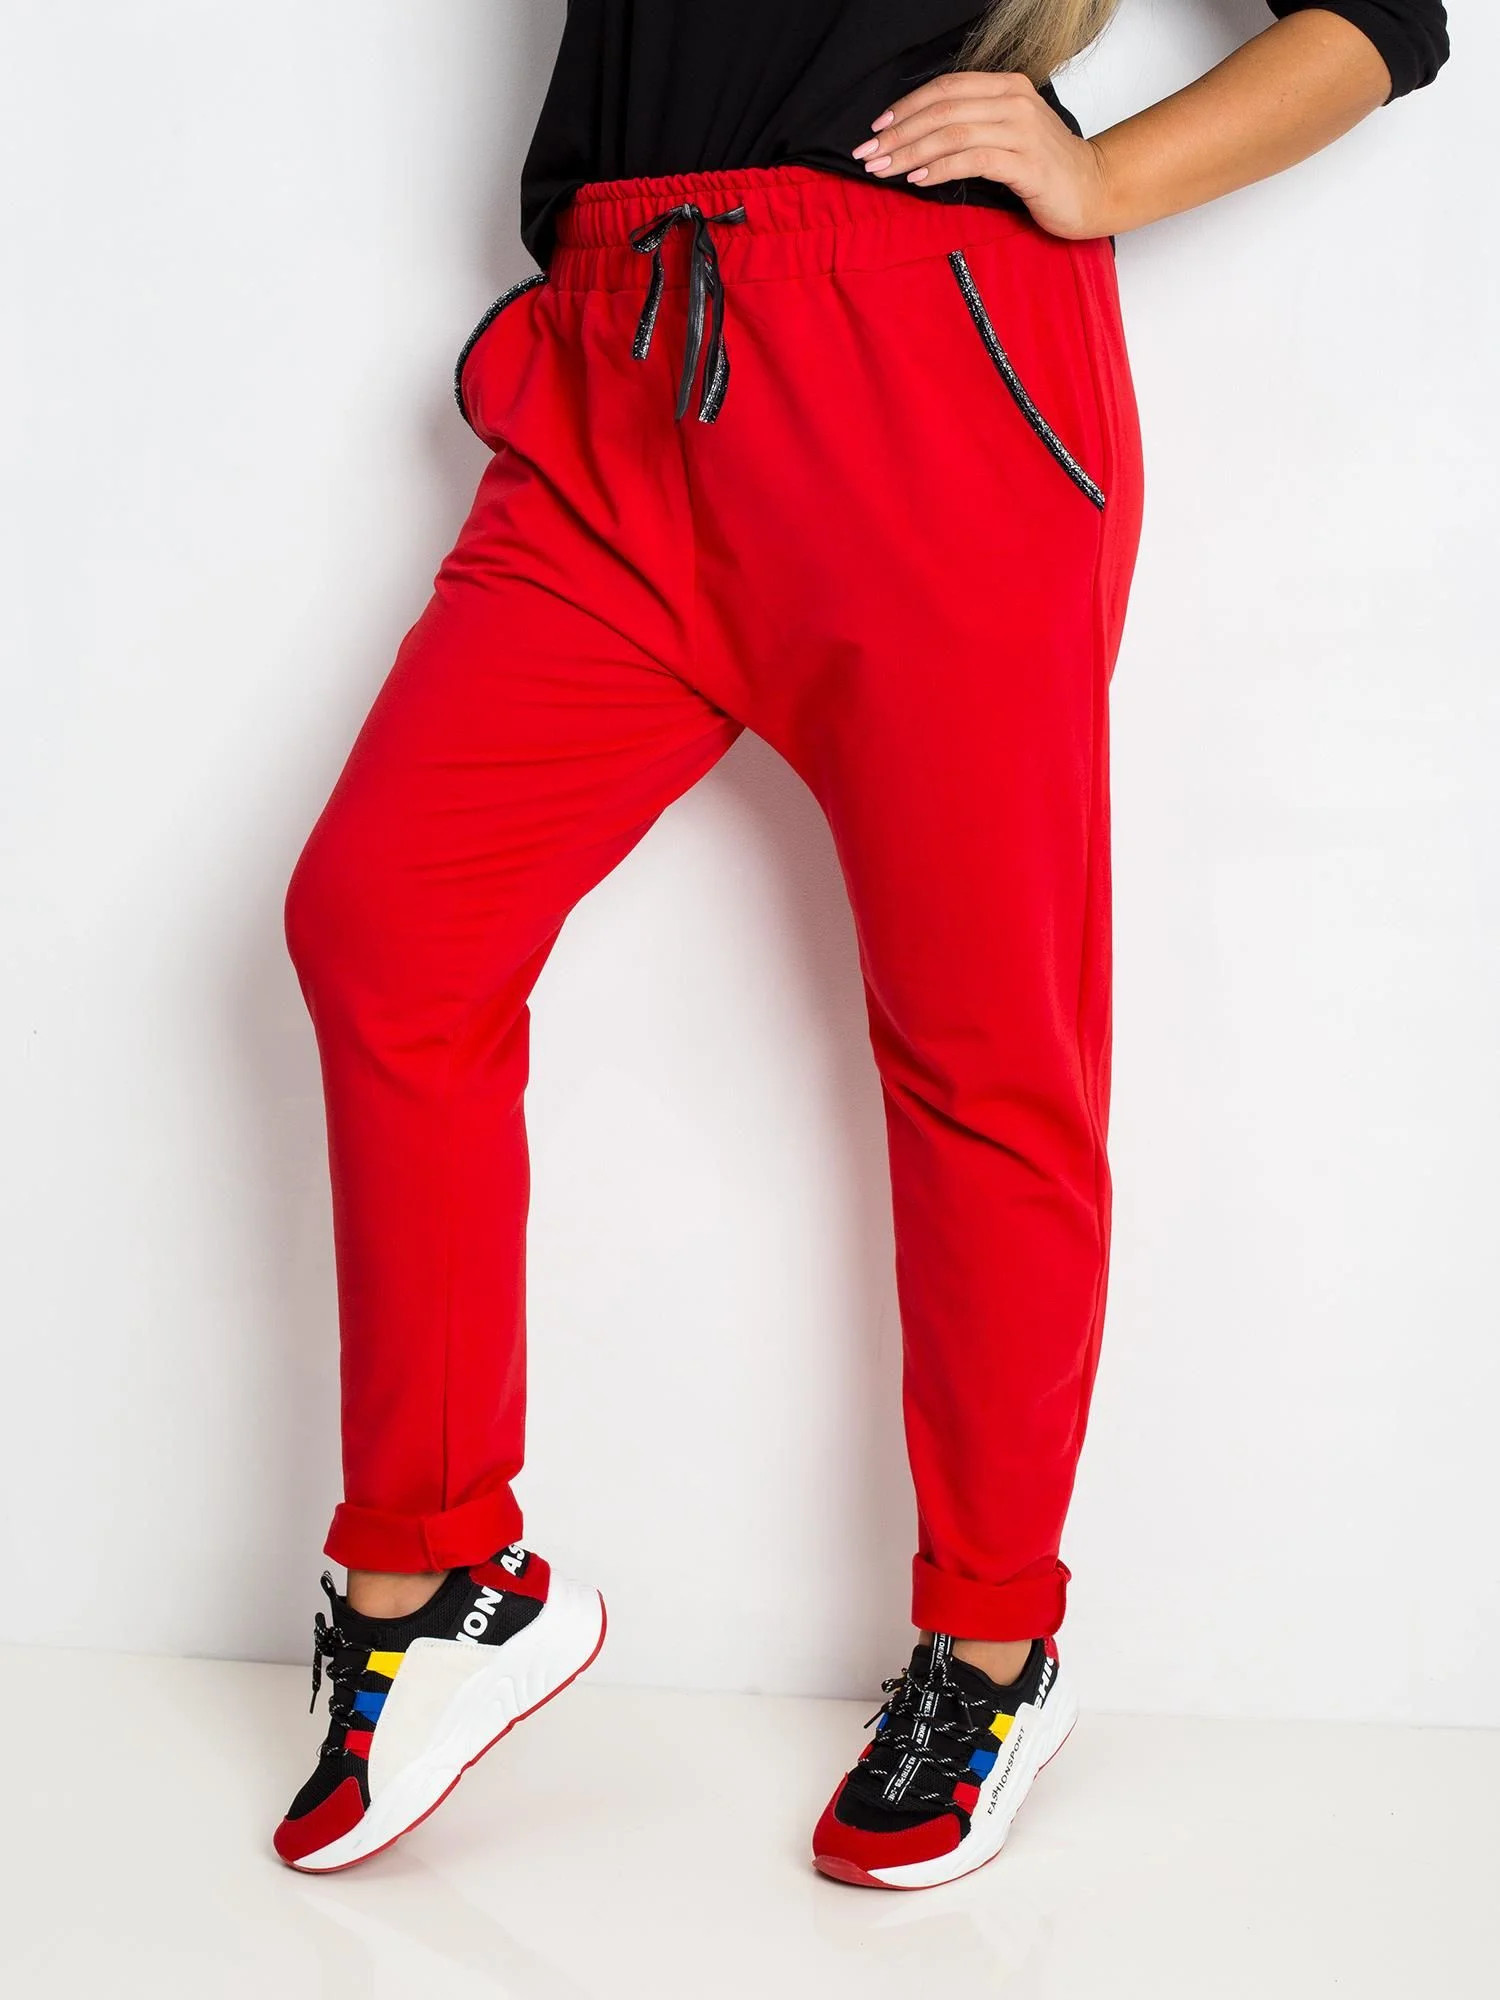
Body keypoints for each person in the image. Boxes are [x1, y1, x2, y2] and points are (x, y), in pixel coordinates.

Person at [272, 1, 1448, 1886]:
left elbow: (1380, 25)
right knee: (384, 924)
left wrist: (1105, 176)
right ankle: (433, 1579)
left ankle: (992, 1645)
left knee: (985, 1043)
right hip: (618, 363)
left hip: (926, 369)